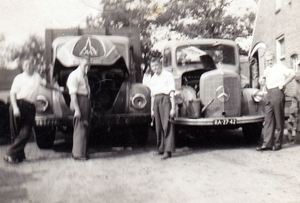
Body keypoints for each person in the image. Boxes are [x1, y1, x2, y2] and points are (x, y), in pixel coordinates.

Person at [4, 59, 60, 163]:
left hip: (30, 107)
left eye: (30, 64)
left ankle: (10, 153)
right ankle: (17, 157)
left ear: (33, 65)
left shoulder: (37, 77)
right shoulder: (19, 78)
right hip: (19, 104)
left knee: (26, 132)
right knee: (17, 132)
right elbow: (12, 94)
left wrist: (58, 89)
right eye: (26, 64)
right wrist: (15, 108)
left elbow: (47, 85)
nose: (29, 66)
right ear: (23, 67)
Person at [256, 51, 295, 151]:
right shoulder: (267, 69)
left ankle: (277, 144)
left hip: (277, 92)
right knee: (268, 119)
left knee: (279, 120)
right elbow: (264, 78)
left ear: (274, 59)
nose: (269, 62)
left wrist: (284, 84)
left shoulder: (280, 67)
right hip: (268, 94)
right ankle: (267, 144)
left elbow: (292, 74)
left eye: (270, 60)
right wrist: (262, 78)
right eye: (267, 60)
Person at [148, 53, 176, 160]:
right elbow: (152, 95)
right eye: (153, 66)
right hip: (156, 101)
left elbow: (172, 91)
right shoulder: (153, 78)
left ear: (160, 65)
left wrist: (173, 108)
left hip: (165, 100)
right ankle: (160, 148)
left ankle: (168, 151)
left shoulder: (168, 75)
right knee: (158, 126)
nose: (155, 68)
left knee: (167, 125)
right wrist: (152, 109)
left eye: (156, 66)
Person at [67, 56, 91, 160]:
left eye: (89, 64)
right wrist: (77, 109)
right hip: (79, 100)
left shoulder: (84, 76)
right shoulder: (74, 75)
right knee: (80, 126)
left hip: (85, 101)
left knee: (85, 126)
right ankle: (78, 154)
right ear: (80, 62)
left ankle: (83, 152)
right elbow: (73, 94)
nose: (87, 66)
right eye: (85, 64)